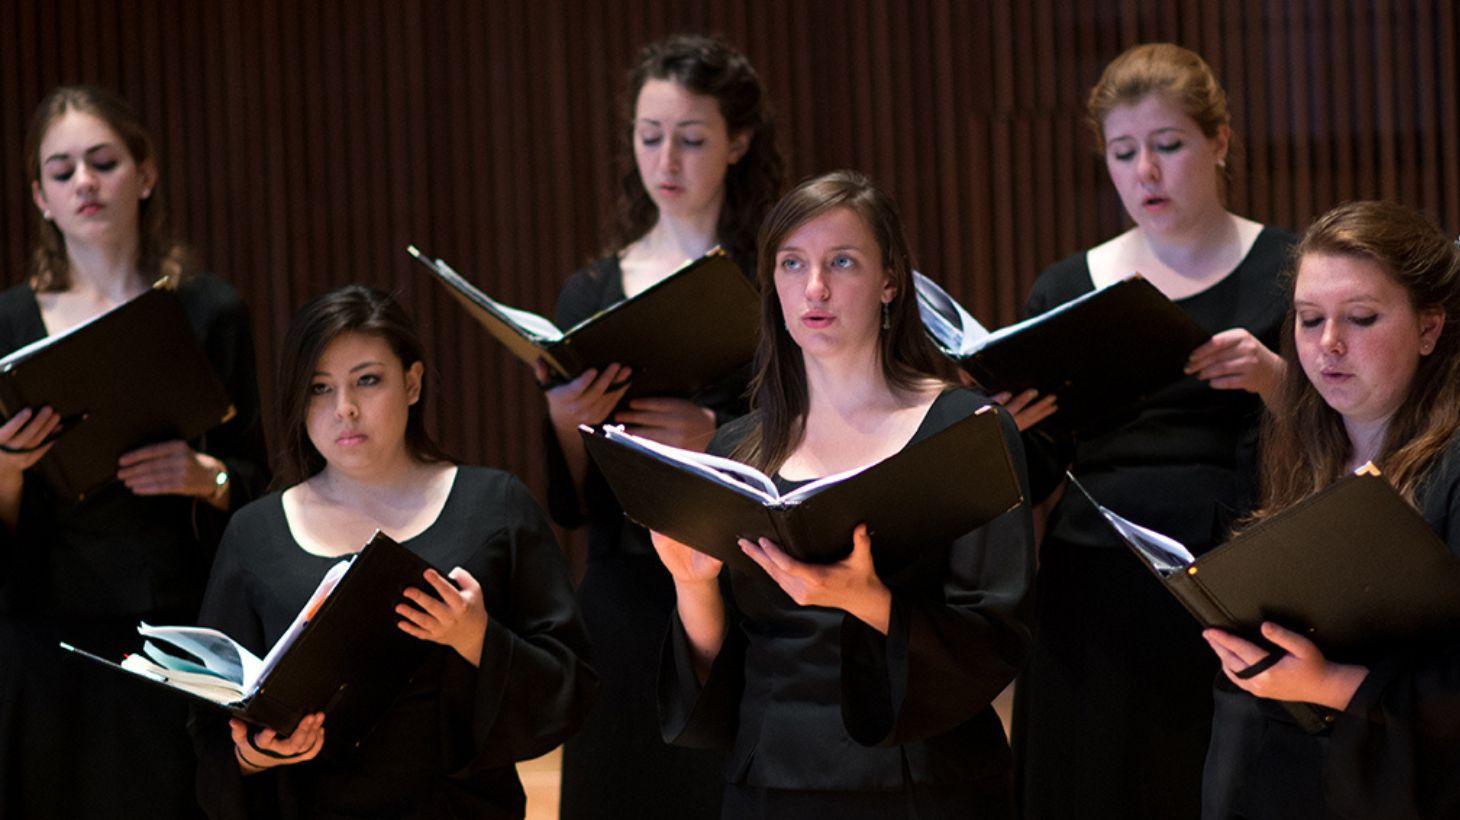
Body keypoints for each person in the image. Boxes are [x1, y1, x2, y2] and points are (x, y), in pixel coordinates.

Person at [650, 170, 1035, 818]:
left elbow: (997, 636)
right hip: (771, 782)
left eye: (843, 262)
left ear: (890, 281)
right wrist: (693, 589)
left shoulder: (966, 432)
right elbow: (722, 686)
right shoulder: (738, 451)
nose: (815, 288)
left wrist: (872, 602)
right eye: (792, 264)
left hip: (923, 781)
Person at [1006, 44, 1297, 819]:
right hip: (1092, 572)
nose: (1146, 174)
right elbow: (1037, 470)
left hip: (1232, 574)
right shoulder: (1067, 287)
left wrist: (1276, 380)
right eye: (1123, 152)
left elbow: (1355, 438)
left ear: (1220, 142)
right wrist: (1010, 429)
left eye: (1168, 146)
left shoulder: (1288, 270)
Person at [191, 285, 596, 818]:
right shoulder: (254, 533)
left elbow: (572, 688)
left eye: (368, 380)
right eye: (319, 388)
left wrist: (477, 638)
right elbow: (210, 732)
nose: (345, 409)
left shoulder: (494, 507)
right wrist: (254, 756)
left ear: (411, 383)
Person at [0, 85, 268, 819]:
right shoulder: (9, 324)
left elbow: (261, 484)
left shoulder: (210, 311)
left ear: (145, 175)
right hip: (41, 631)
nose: (83, 181)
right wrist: (8, 469)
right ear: (41, 197)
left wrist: (204, 476)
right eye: (62, 171)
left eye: (102, 161)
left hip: (170, 631)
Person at [542, 33, 784, 819]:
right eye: (651, 138)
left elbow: (818, 426)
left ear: (738, 142)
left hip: (751, 582)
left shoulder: (777, 278)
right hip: (627, 587)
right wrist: (565, 424)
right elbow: (576, 503)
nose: (667, 161)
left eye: (691, 138)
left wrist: (715, 430)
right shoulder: (591, 291)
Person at [1201, 200, 1460, 820]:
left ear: (1429, 329)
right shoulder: (1300, 442)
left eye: (1362, 318)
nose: (1328, 344)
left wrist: (1327, 685)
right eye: (1309, 319)